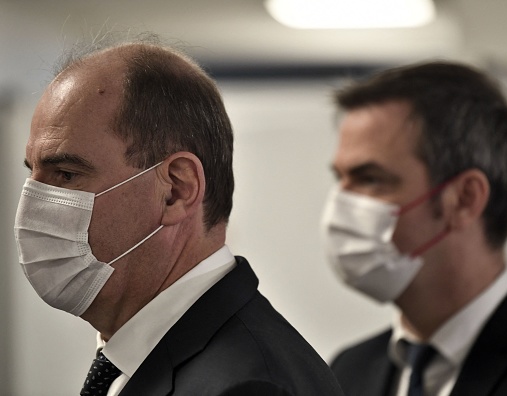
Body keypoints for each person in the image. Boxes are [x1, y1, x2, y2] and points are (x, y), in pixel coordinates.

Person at [14, 35, 343, 396]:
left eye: (66, 175)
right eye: (32, 174)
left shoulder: (249, 386)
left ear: (175, 190)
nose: (31, 203)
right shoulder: (132, 362)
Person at [320, 61, 507, 395]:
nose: (340, 203)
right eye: (340, 178)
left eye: (370, 179)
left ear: (464, 199)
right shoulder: (348, 372)